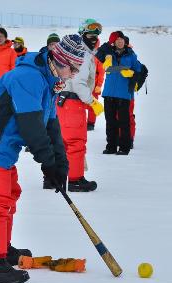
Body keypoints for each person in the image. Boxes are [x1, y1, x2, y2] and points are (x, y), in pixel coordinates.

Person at [0, 35, 85, 283]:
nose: (73, 74)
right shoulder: (28, 78)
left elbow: (51, 126)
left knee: (9, 195)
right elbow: (31, 126)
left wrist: (60, 166)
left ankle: (2, 249)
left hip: (2, 148)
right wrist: (46, 162)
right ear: (59, 60)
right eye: (73, 68)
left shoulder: (48, 81)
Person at [54, 19, 103, 192]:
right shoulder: (82, 54)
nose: (93, 38)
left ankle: (60, 177)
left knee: (65, 142)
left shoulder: (72, 50)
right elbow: (79, 84)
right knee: (76, 143)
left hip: (62, 102)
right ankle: (75, 180)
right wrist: (93, 102)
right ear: (82, 34)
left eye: (96, 36)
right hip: (73, 103)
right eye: (90, 35)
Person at [99, 31, 142, 155]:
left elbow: (138, 71)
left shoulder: (131, 55)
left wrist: (131, 73)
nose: (120, 41)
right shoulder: (108, 53)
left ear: (125, 42)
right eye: (117, 40)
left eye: (122, 39)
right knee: (110, 122)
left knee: (124, 122)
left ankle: (124, 147)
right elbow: (98, 52)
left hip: (124, 94)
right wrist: (109, 43)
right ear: (113, 42)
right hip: (109, 93)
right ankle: (111, 147)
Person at [86, 39, 106, 131]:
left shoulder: (99, 55)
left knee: (92, 105)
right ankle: (81, 122)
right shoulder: (83, 52)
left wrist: (99, 85)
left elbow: (101, 72)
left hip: (94, 86)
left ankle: (90, 123)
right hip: (83, 84)